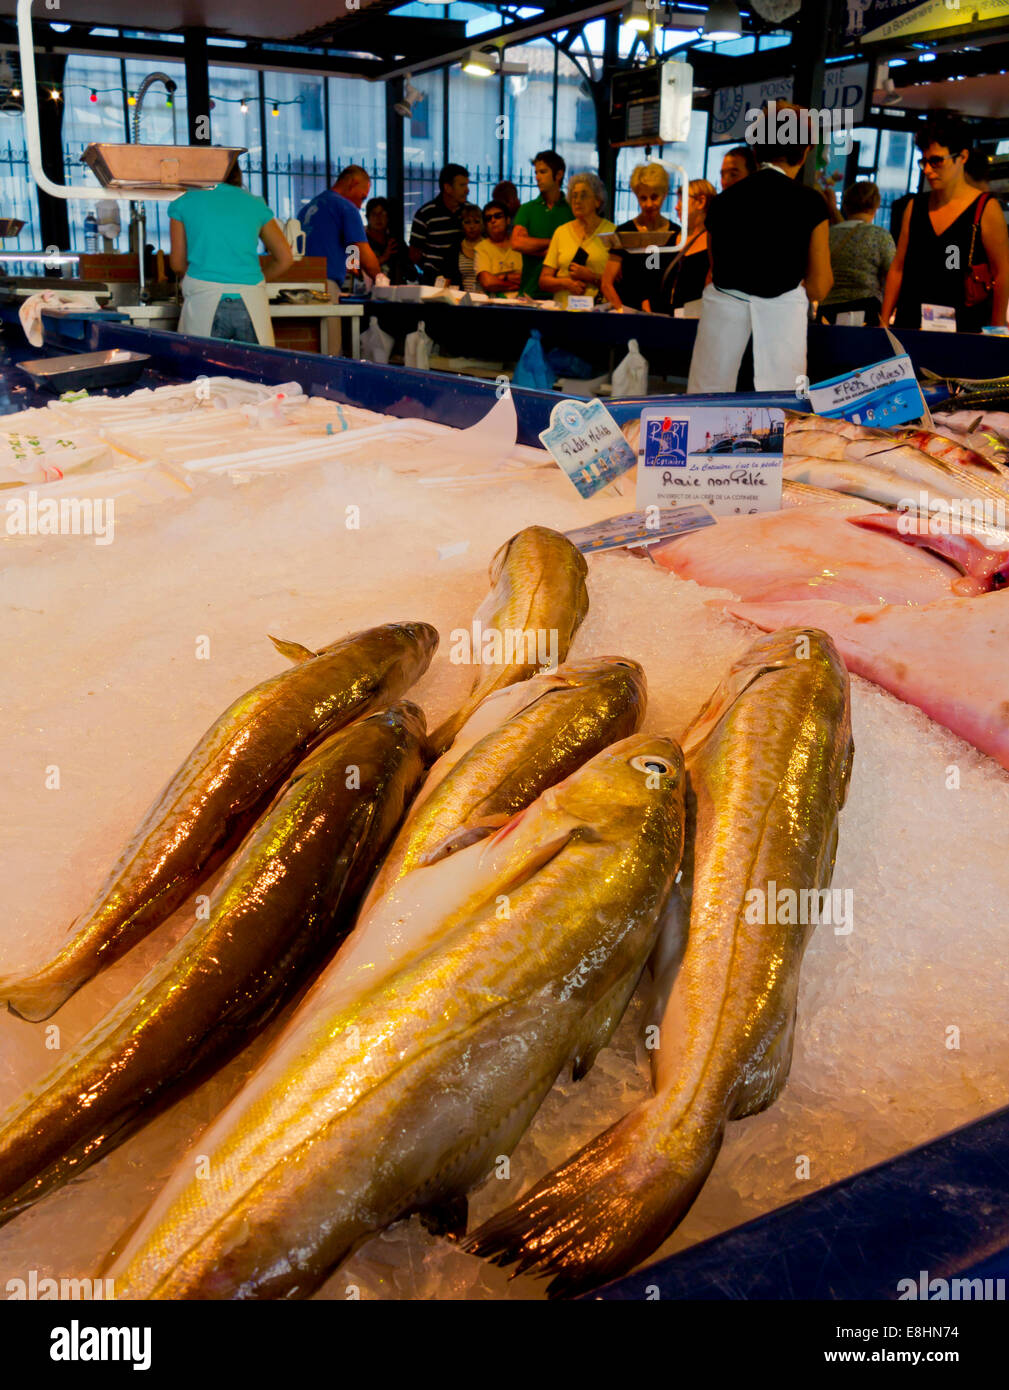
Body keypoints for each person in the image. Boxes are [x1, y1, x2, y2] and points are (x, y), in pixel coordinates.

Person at [687, 102, 833, 393]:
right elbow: (819, 285)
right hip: (778, 344)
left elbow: (716, 270)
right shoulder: (810, 203)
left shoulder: (723, 203)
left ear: (756, 150)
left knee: (709, 426)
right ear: (805, 151)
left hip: (723, 344)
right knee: (773, 425)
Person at [882, 116, 1009, 333]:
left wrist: (996, 327)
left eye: (936, 161)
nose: (928, 170)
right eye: (924, 162)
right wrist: (884, 321)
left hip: (965, 329)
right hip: (910, 324)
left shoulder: (985, 208)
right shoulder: (916, 206)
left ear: (962, 157)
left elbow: (1002, 272)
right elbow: (898, 268)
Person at [169, 164, 293, 346]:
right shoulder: (255, 203)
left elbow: (177, 264)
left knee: (205, 372)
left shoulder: (184, 201)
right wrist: (253, 281)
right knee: (254, 372)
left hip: (203, 299)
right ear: (237, 173)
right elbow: (285, 258)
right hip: (251, 300)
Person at [600, 161, 679, 313]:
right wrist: (622, 313)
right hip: (629, 315)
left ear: (664, 194)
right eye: (643, 198)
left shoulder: (676, 233)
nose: (649, 204)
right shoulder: (624, 232)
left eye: (654, 197)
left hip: (664, 317)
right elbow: (606, 283)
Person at [298, 165, 380, 301]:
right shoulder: (346, 207)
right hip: (325, 287)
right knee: (327, 322)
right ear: (353, 184)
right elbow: (365, 255)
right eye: (362, 197)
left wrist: (348, 264)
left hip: (297, 284)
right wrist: (381, 280)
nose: (360, 205)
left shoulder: (307, 209)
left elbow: (345, 247)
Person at [820, 182, 896, 326]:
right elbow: (892, 277)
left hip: (827, 310)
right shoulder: (880, 236)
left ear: (846, 205)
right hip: (866, 310)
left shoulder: (828, 235)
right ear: (876, 207)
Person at [539, 171, 615, 308]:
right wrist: (566, 283)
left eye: (584, 195)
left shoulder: (612, 232)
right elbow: (543, 281)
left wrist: (591, 276)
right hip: (563, 313)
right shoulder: (561, 232)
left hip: (599, 313)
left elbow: (620, 283)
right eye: (574, 196)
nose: (577, 201)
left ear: (598, 201)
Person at [512, 150, 574, 298]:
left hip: (563, 295)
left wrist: (533, 247)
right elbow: (517, 243)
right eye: (536, 172)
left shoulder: (572, 210)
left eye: (543, 172)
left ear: (558, 175)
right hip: (529, 293)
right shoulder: (527, 209)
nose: (537, 177)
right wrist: (555, 246)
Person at [656, 179, 716, 316]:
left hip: (696, 322)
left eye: (681, 200)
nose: (676, 207)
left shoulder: (715, 243)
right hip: (662, 319)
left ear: (701, 202)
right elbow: (653, 271)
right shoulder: (671, 239)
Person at [409, 164, 470, 285]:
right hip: (433, 280)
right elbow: (414, 253)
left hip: (464, 281)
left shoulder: (470, 213)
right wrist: (431, 269)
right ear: (447, 188)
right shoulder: (425, 213)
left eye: (467, 185)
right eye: (462, 185)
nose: (467, 190)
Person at [475, 200, 522, 297]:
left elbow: (526, 279)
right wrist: (513, 285)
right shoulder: (482, 248)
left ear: (508, 220)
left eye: (498, 216)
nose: (493, 220)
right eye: (488, 218)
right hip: (494, 305)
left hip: (522, 303)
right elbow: (488, 282)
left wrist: (504, 277)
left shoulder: (519, 244)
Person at [364, 196, 416, 284]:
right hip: (367, 292)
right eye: (374, 214)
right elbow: (353, 269)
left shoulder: (395, 241)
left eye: (382, 213)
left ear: (388, 217)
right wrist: (383, 258)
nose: (378, 218)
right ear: (367, 217)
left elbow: (412, 274)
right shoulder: (360, 241)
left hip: (395, 293)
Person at [458, 204, 485, 293]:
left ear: (482, 224)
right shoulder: (456, 248)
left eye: (476, 222)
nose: (472, 226)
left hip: (487, 299)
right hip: (462, 300)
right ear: (462, 225)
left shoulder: (489, 246)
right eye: (467, 222)